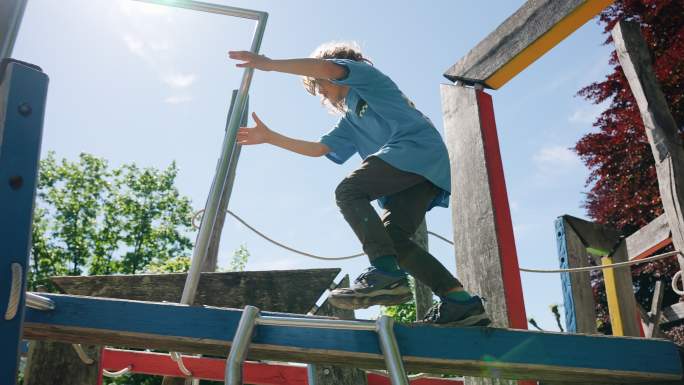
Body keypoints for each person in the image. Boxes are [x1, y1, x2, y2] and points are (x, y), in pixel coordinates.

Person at [229, 42, 490, 326]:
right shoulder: (350, 121)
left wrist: (269, 63)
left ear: (332, 74)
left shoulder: (365, 77)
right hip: (422, 173)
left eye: (320, 87)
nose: (323, 96)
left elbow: (325, 67)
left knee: (349, 191)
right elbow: (318, 149)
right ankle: (460, 302)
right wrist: (271, 137)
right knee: (394, 241)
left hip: (416, 150)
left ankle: (386, 275)